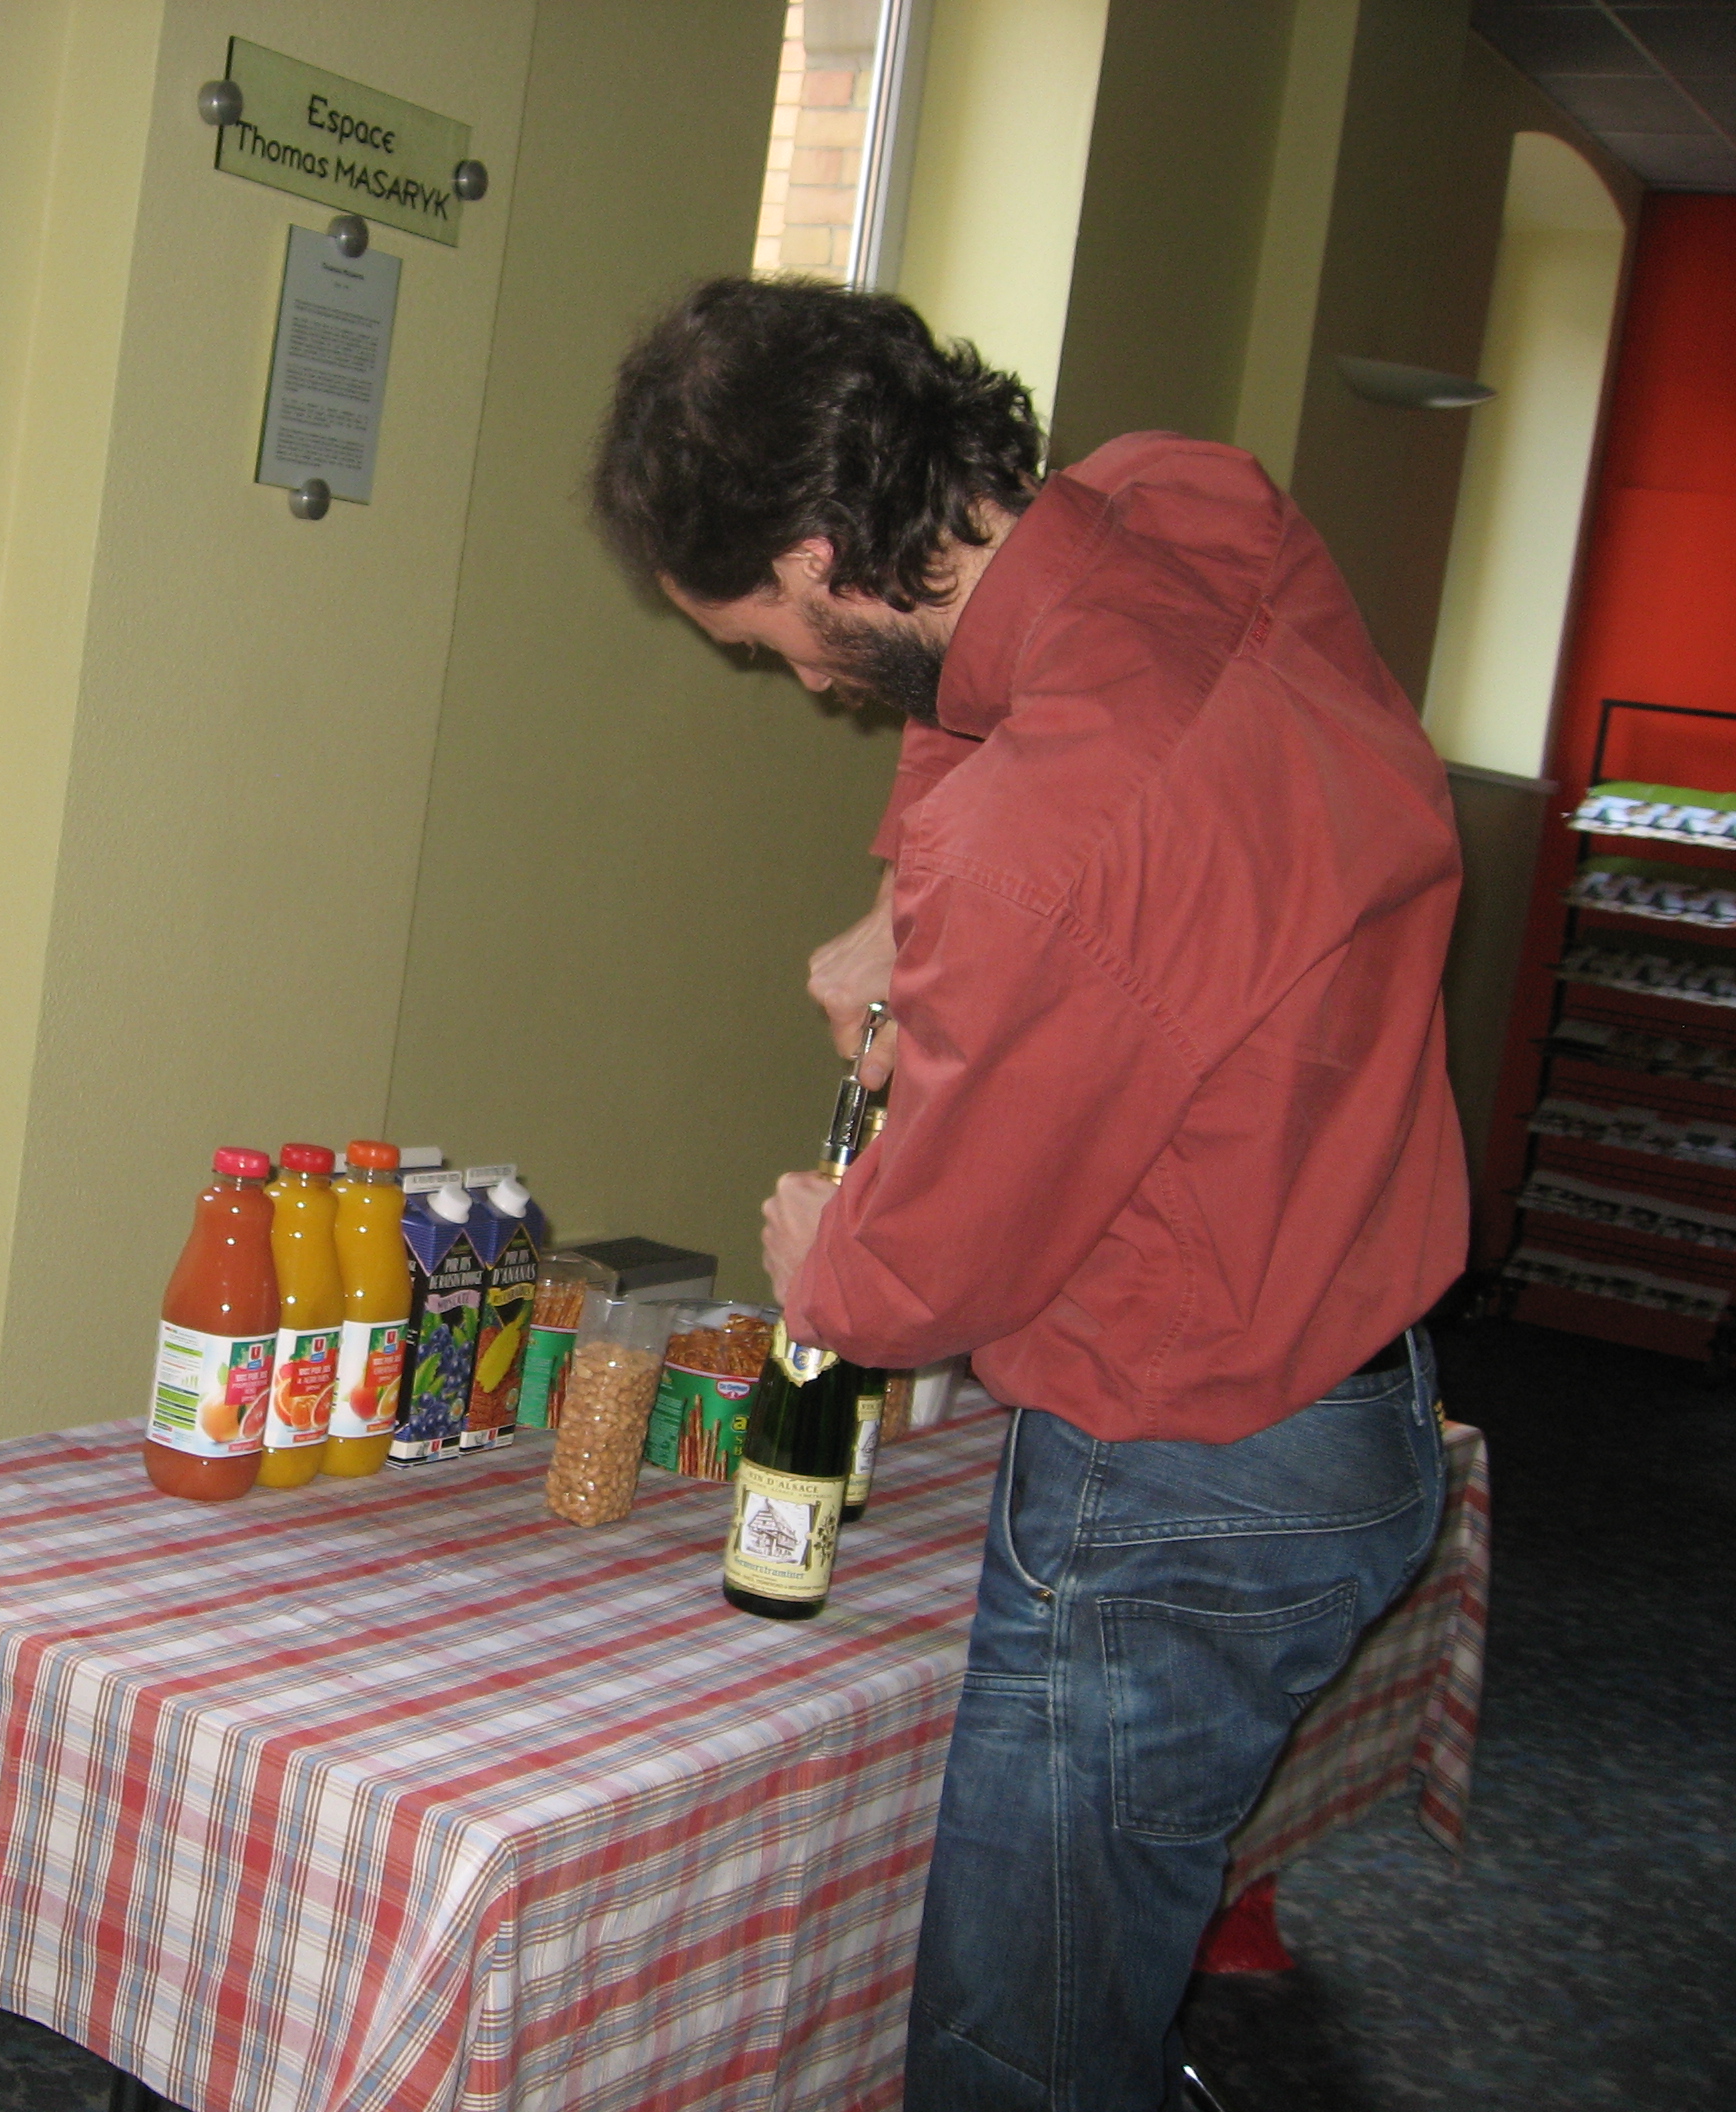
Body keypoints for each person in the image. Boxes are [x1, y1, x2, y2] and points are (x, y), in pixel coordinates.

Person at [591, 277, 1467, 2112]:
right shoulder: (1186, 500)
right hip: (1361, 1391)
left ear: (821, 555)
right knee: (1103, 1963)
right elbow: (1026, 732)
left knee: (1024, 2045)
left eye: (775, 642)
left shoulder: (1045, 853)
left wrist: (828, 1261)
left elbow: (929, 1280)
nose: (808, 683)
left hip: (1185, 1484)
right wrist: (907, 917)